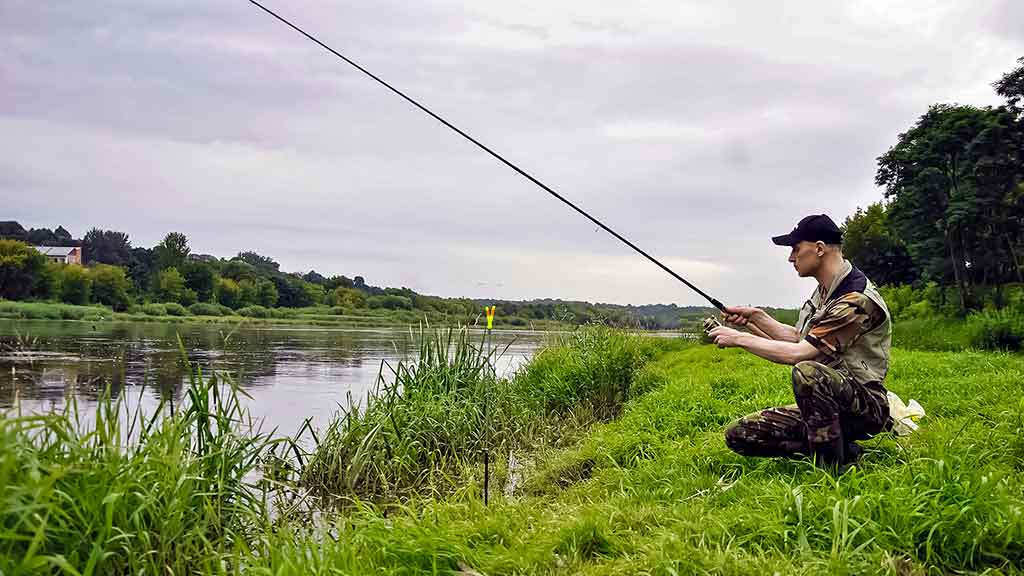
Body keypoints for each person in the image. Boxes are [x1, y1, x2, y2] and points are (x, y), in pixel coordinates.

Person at [707, 214, 892, 469]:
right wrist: (756, 318)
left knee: (808, 373)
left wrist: (740, 338)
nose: (791, 258)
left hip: (865, 407)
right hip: (830, 402)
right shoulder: (825, 290)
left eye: (795, 249)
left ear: (818, 248)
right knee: (741, 435)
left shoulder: (855, 300)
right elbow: (798, 337)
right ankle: (846, 451)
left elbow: (801, 354)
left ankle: (832, 468)